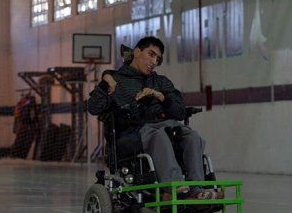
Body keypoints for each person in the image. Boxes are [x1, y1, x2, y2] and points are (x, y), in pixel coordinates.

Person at [87, 36, 221, 200]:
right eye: (151, 54)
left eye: (158, 59)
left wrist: (160, 96)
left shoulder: (161, 82)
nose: (154, 61)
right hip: (132, 132)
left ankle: (197, 190)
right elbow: (93, 108)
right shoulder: (115, 80)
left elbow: (180, 112)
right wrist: (105, 82)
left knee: (191, 135)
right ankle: (173, 185)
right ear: (137, 52)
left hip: (165, 125)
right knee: (158, 136)